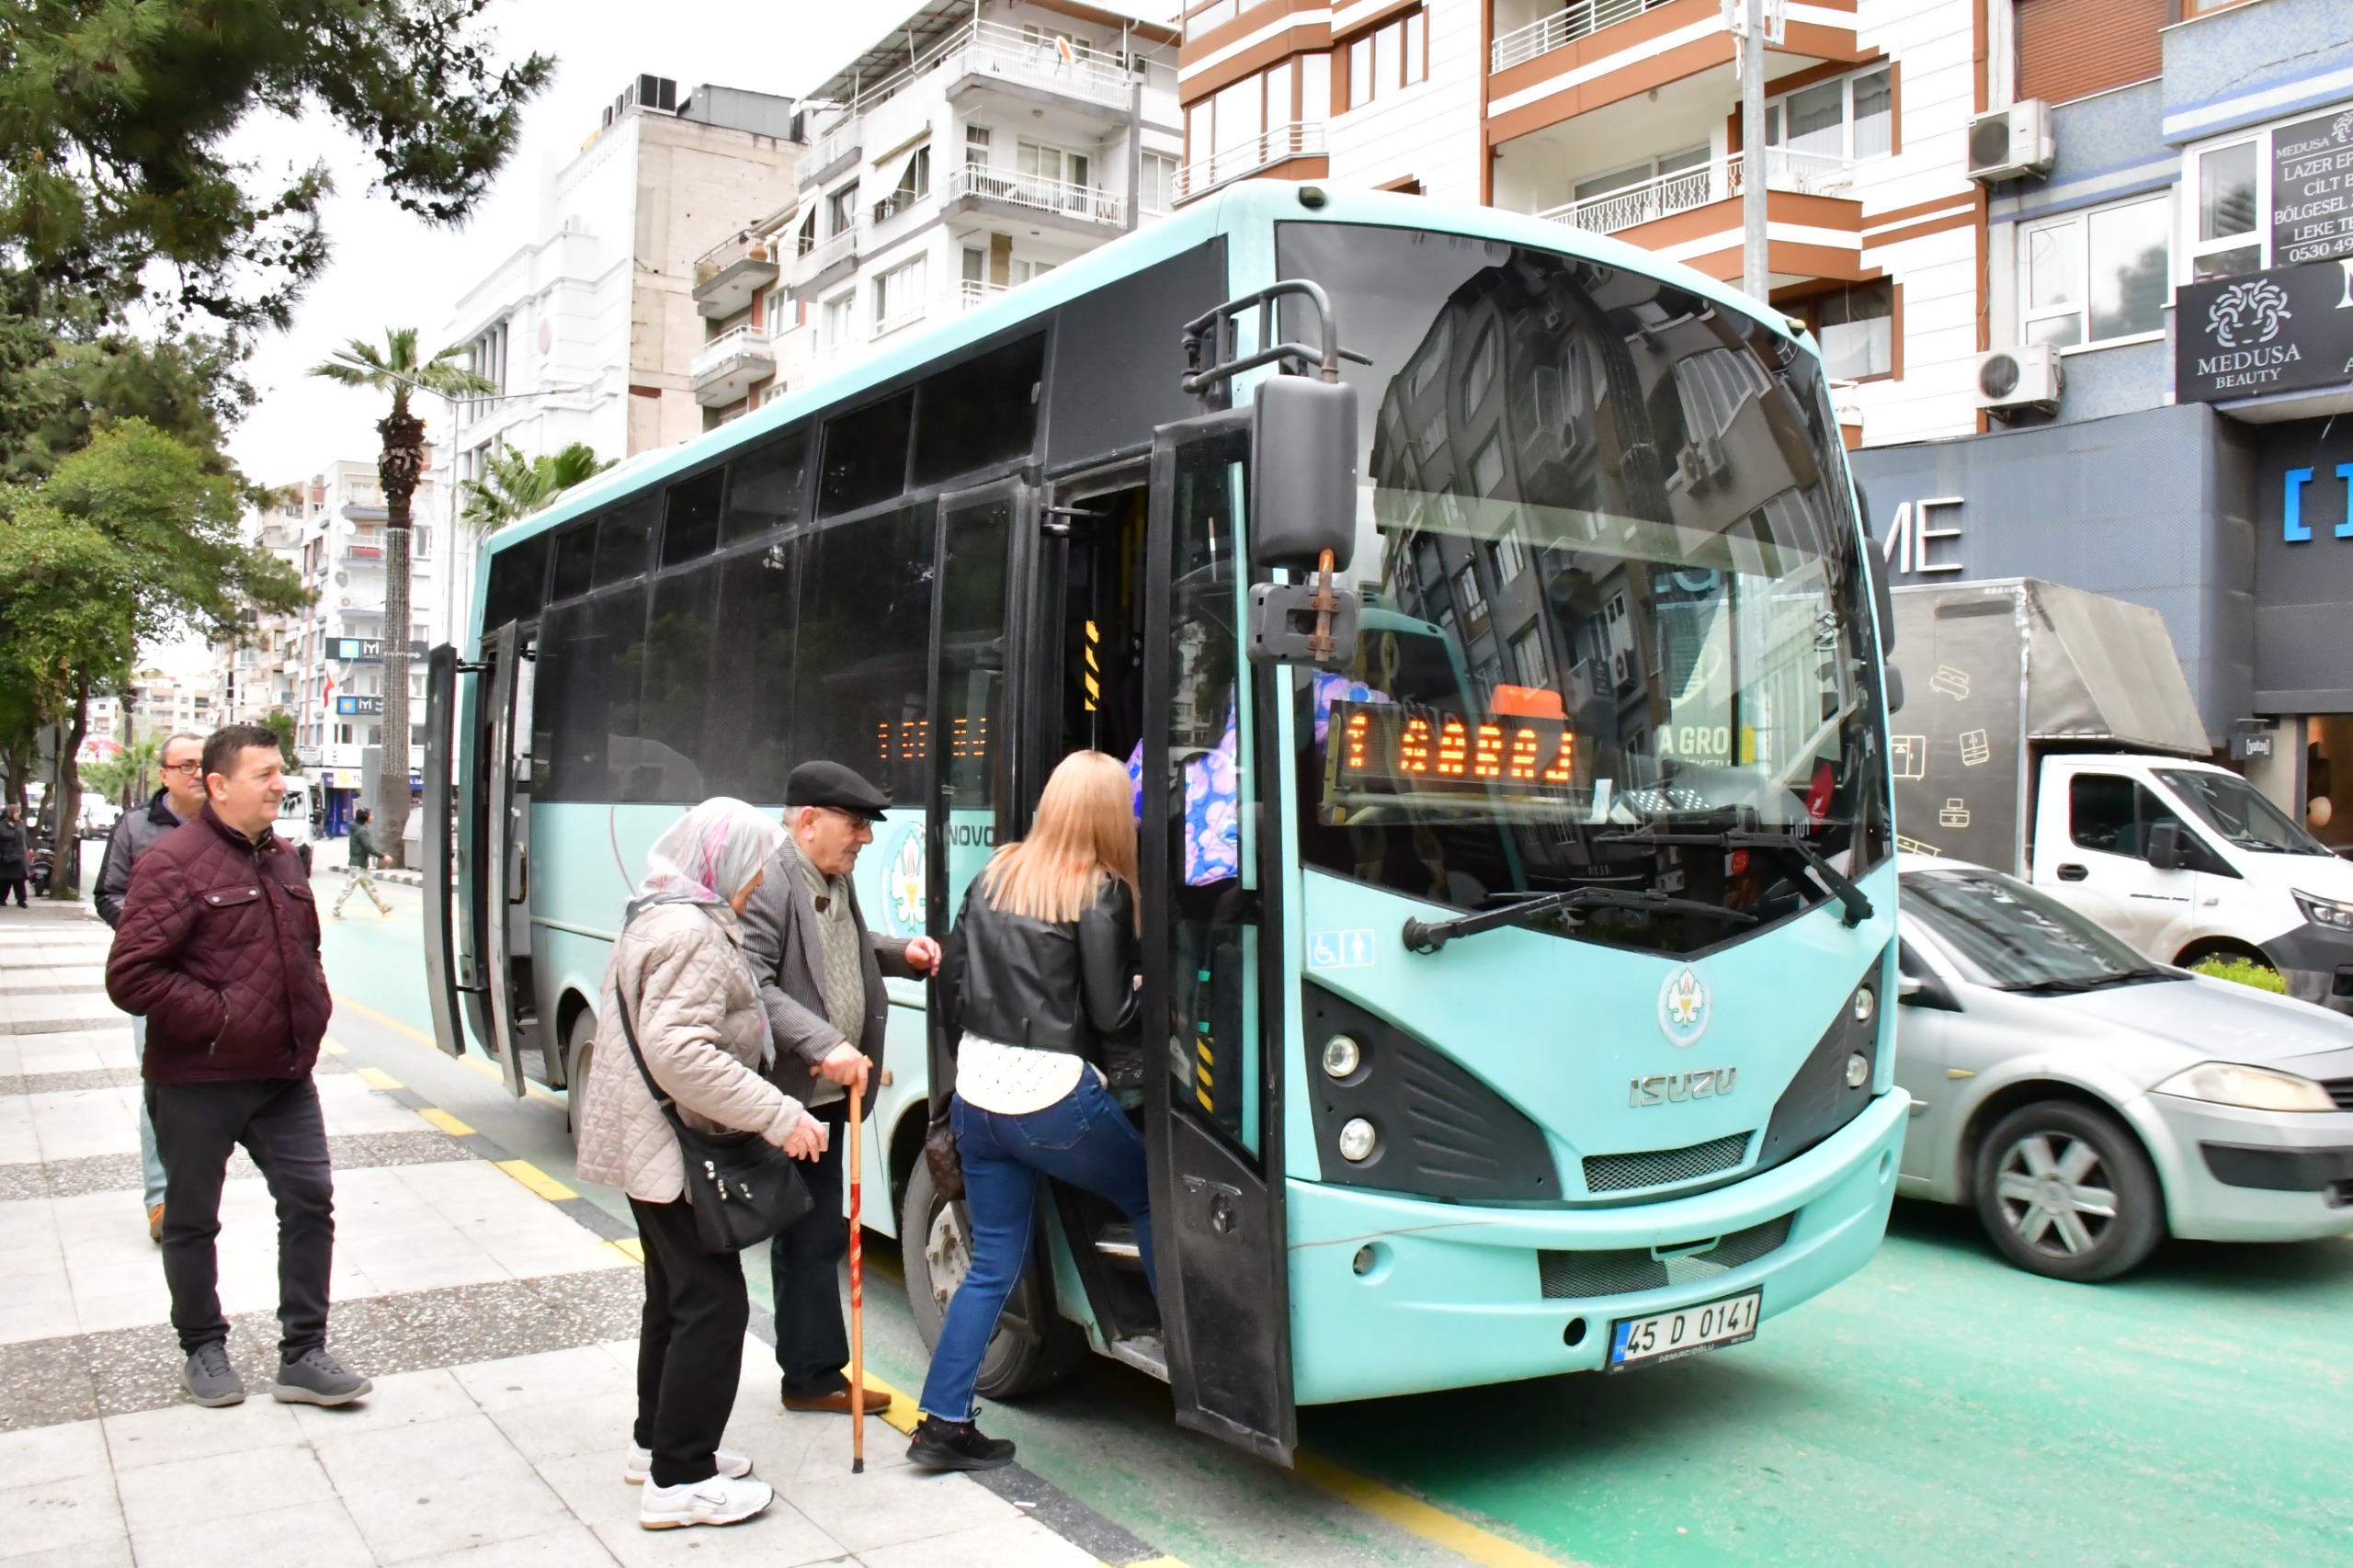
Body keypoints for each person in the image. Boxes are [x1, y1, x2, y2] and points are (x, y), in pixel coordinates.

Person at [574, 797, 827, 1531]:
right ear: (721, 864)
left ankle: (656, 1445)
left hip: (647, 1140)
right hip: (674, 1148)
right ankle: (679, 1480)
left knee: (676, 1297)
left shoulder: (658, 914)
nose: (758, 883)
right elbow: (681, 1052)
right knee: (715, 1306)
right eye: (753, 868)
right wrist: (781, 1114)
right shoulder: (692, 933)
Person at [104, 724, 369, 1411]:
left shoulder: (285, 858)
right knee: (192, 1218)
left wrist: (310, 1007)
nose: (281, 784)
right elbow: (132, 976)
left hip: (283, 1078)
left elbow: (302, 952)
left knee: (311, 1203)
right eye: (265, 775)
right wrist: (222, 1015)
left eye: (282, 772)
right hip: (197, 1079)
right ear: (219, 786)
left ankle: (304, 1353)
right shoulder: (171, 863)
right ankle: (203, 1348)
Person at [910, 750, 1154, 1472]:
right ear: (1112, 813)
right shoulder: (1101, 889)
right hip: (1054, 1102)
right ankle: (1190, 1344)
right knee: (1151, 1193)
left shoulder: (996, 873)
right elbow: (1113, 1015)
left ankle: (942, 1424)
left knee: (991, 1265)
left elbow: (954, 982)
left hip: (979, 1099)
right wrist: (1158, 1003)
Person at [736, 760, 938, 1416]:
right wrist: (825, 1045)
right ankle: (812, 1375)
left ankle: (814, 1374)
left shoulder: (831, 876)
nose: (866, 839)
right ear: (809, 820)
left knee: (819, 1234)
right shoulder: (769, 881)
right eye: (856, 825)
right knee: (802, 1239)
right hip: (791, 1097)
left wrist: (901, 954)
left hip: (830, 1099)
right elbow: (755, 986)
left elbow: (848, 951)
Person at [96, 732, 210, 1242]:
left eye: (202, 764)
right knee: (159, 1088)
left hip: (214, 980)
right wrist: (151, 936)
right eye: (184, 764)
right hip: (158, 977)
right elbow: (109, 894)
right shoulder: (136, 829)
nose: (195, 773)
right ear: (163, 773)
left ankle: (199, 1193)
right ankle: (162, 1201)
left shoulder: (225, 828)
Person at [332, 806, 391, 918]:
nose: (372, 817)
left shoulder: (356, 828)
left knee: (371, 887)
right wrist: (383, 856)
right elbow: (368, 847)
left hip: (359, 865)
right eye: (371, 815)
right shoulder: (362, 831)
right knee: (348, 889)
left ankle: (383, 907)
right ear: (365, 817)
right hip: (357, 865)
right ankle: (334, 910)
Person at [0, 801, 28, 907]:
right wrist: (16, 832)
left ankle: (21, 899)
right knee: (5, 880)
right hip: (7, 855)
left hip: (19, 855)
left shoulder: (21, 823)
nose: (18, 814)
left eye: (18, 812)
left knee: (19, 879)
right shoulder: (3, 824)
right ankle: (2, 898)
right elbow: (4, 835)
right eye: (16, 812)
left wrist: (29, 847)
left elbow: (25, 837)